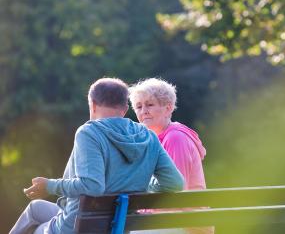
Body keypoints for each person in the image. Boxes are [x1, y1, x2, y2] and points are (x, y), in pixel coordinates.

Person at [10, 77, 184, 234]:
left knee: (38, 230)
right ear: (124, 109)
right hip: (120, 224)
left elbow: (92, 186)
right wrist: (137, 190)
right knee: (35, 208)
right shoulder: (148, 137)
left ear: (92, 104)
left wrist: (49, 186)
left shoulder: (90, 132)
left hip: (79, 226)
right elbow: (175, 182)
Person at [129, 78, 212, 234]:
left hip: (186, 225)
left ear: (168, 108)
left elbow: (173, 196)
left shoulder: (176, 138)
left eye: (150, 104)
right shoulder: (152, 140)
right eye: (138, 107)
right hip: (167, 222)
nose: (143, 111)